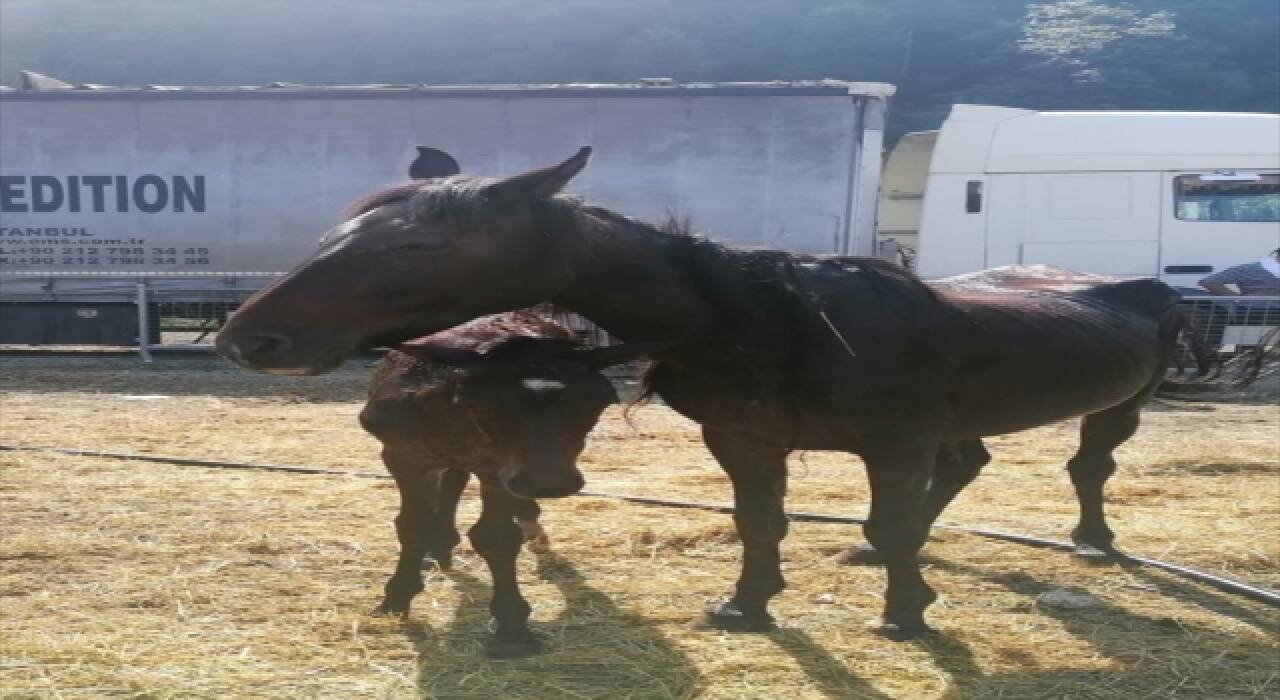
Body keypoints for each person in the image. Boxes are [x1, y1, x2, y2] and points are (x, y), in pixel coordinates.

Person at [1198, 249, 1280, 296]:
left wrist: (1238, 299)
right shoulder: (1248, 269)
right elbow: (1207, 282)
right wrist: (1236, 298)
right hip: (1257, 311)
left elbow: (1208, 282)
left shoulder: (1246, 268)